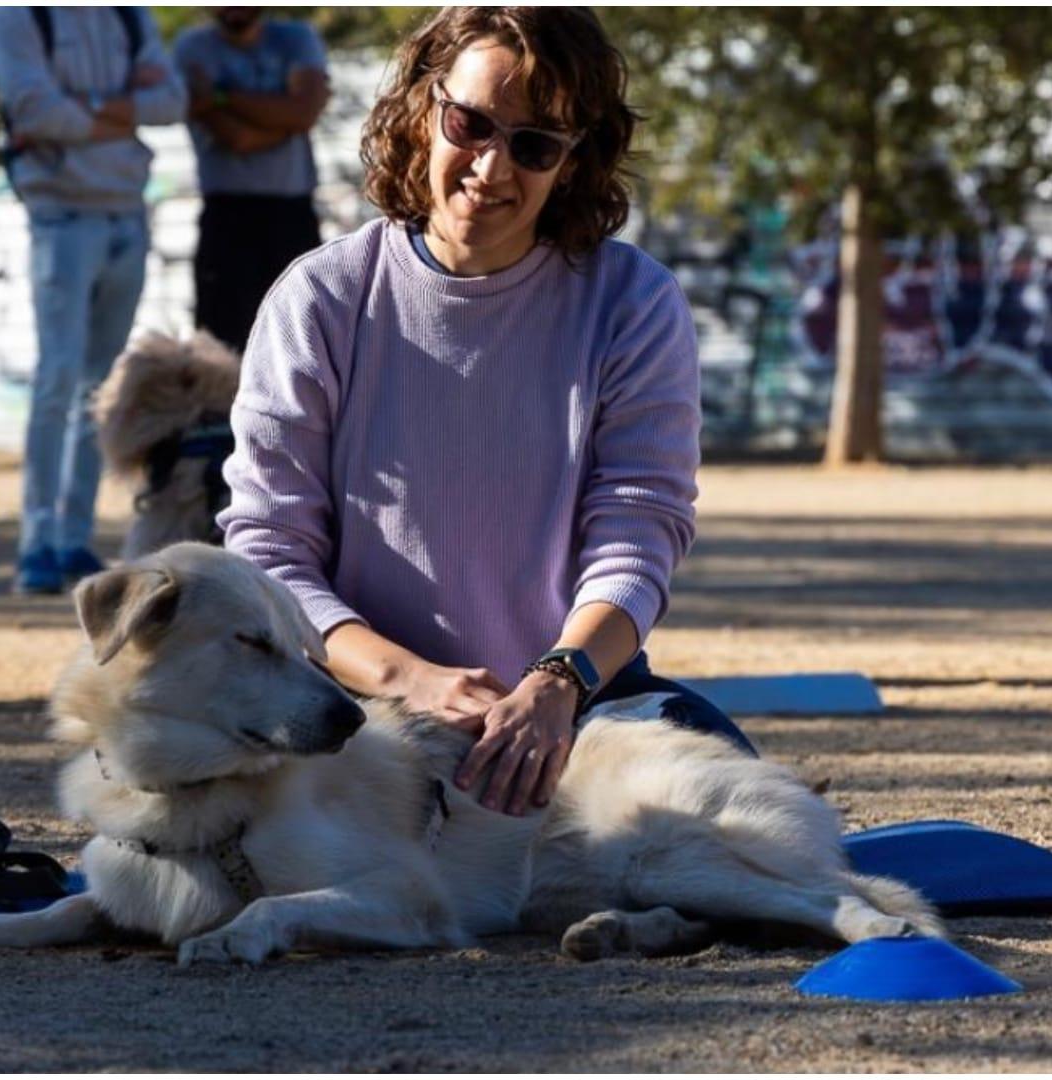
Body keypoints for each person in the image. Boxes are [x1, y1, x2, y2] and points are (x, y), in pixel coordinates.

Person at [217, 7, 753, 822]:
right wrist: (409, 679)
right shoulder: (320, 298)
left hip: (574, 702)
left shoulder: (633, 302)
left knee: (734, 819)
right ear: (423, 110)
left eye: (535, 145)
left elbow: (637, 531)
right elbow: (268, 550)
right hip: (359, 714)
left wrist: (556, 684)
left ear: (574, 163)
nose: (491, 165)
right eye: (470, 124)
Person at [0, 6, 186, 595]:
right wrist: (123, 108)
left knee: (99, 390)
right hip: (62, 214)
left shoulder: (128, 15)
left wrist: (86, 112)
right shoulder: (24, 15)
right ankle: (36, 544)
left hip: (127, 211)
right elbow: (31, 108)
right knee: (57, 379)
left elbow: (172, 102)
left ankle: (73, 540)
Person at [172, 8, 331, 353]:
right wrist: (283, 122)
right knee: (223, 348)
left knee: (307, 339)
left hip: (292, 212)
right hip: (227, 213)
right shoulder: (192, 48)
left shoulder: (297, 38)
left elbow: (304, 111)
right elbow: (236, 138)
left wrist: (220, 96)